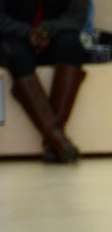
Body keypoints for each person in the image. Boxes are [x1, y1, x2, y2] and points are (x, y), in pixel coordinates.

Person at [0, 0, 88, 163]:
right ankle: (58, 139)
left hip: (52, 33)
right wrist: (27, 32)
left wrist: (45, 30)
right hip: (12, 34)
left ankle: (54, 142)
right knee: (18, 56)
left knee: (71, 45)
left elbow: (77, 16)